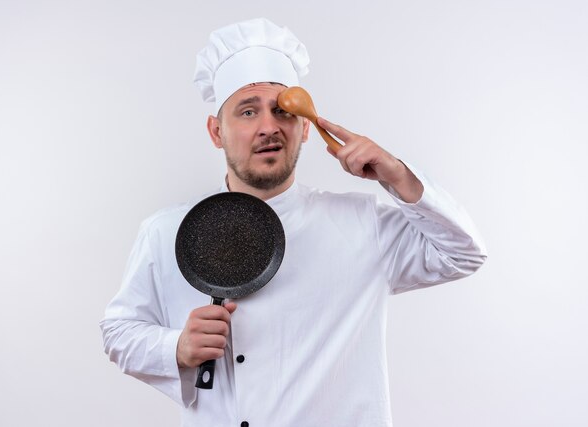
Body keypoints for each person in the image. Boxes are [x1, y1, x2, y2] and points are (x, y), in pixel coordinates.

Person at [100, 18, 486, 427]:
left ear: (304, 127)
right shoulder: (168, 231)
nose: (268, 126)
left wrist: (396, 174)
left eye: (283, 111)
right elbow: (119, 332)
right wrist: (174, 347)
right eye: (247, 112)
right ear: (216, 131)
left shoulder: (361, 224)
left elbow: (463, 254)